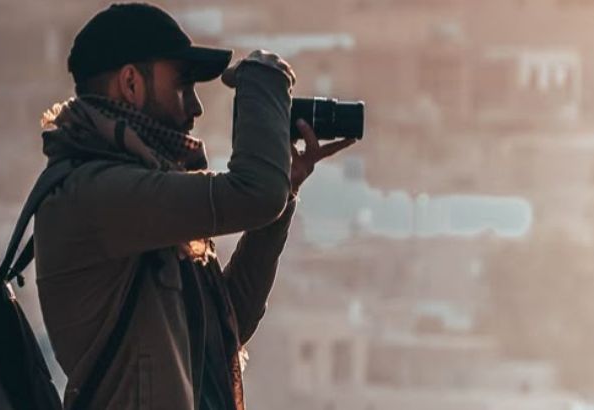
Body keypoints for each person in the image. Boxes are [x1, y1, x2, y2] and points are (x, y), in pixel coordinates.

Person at [34, 3, 356, 409]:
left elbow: (228, 323)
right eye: (182, 84)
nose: (195, 107)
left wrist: (284, 189)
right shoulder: (95, 195)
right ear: (131, 83)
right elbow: (254, 193)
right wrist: (264, 78)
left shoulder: (140, 199)